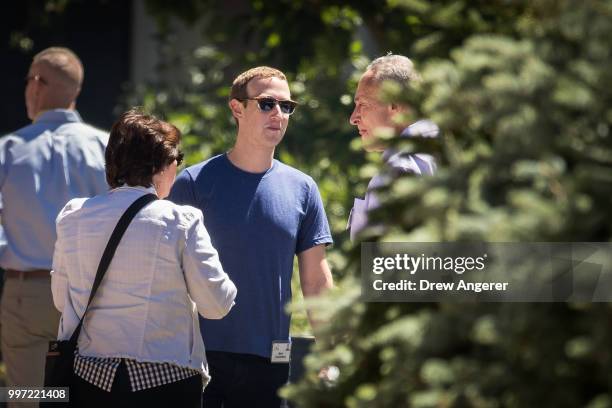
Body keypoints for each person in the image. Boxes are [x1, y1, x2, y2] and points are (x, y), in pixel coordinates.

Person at [169, 66, 334, 407]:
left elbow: (316, 280)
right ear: (236, 108)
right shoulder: (193, 183)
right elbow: (166, 274)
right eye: (266, 103)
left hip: (271, 358)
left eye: (286, 106)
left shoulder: (303, 189)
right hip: (199, 357)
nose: (278, 114)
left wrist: (330, 350)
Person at [51, 109, 237, 407]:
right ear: (161, 164)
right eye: (178, 160)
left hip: (90, 378)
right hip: (165, 381)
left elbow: (62, 300)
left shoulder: (73, 216)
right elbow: (216, 305)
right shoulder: (181, 220)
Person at [0, 47, 109, 403]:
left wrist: (11, 248)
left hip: (27, 291)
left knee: (28, 397)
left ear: (36, 85)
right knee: (86, 395)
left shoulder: (9, 150)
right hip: (90, 294)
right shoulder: (106, 148)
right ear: (75, 91)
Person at [348, 53, 439, 240]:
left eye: (362, 104)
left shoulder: (398, 169)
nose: (353, 118)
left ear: (394, 104)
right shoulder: (452, 150)